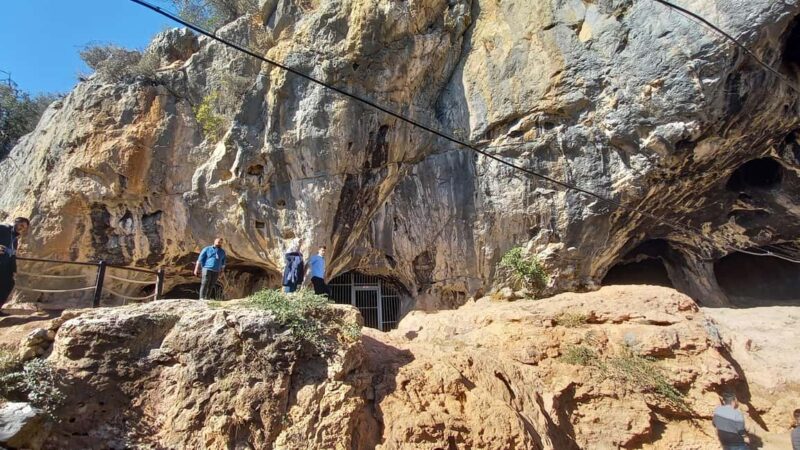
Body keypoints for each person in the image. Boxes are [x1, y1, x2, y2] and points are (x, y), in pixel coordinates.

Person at [0, 217, 30, 313]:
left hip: (6, 267)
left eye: (24, 228)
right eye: (21, 225)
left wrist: (13, 270)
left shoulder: (15, 238)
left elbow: (12, 254)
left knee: (8, 284)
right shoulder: (3, 228)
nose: (22, 229)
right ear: (15, 222)